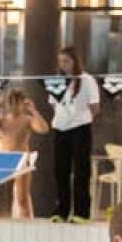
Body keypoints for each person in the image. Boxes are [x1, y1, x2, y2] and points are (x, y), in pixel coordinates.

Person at [48, 46, 100, 223]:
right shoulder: (57, 81)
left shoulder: (87, 80)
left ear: (75, 61)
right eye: (61, 61)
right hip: (60, 129)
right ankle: (61, 210)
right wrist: (63, 120)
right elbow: (54, 104)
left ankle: (81, 211)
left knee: (81, 171)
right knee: (60, 170)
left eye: (67, 61)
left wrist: (80, 120)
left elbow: (95, 107)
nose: (63, 65)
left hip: (80, 129)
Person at [0, 86, 48, 220]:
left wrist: (34, 111)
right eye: (12, 102)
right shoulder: (2, 120)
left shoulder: (27, 120)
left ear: (23, 103)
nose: (14, 105)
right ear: (7, 103)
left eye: (17, 102)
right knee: (4, 198)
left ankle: (26, 225)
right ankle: (4, 223)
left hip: (22, 159)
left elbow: (44, 129)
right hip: (5, 160)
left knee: (22, 198)